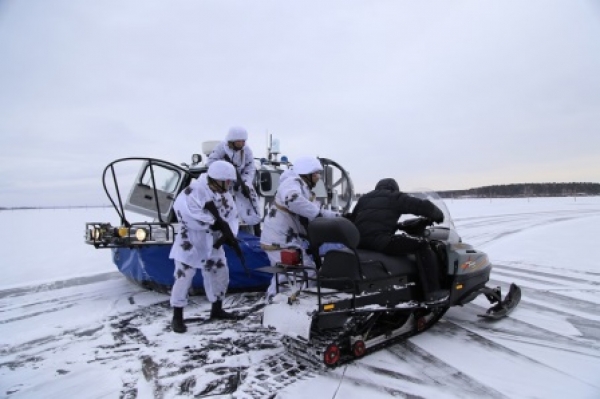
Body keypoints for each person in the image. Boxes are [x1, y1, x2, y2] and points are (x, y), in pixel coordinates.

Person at [349, 178, 449, 304]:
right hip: (380, 241)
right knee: (422, 245)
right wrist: (437, 214)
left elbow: (356, 219)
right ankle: (433, 292)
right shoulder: (394, 197)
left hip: (360, 242)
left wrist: (396, 226)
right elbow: (419, 205)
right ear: (394, 188)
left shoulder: (365, 198)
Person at [169, 160, 240, 333]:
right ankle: (177, 317)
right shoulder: (194, 190)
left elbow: (232, 216)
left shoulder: (225, 194)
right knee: (183, 277)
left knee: (220, 273)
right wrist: (211, 223)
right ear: (217, 179)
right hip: (191, 241)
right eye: (227, 181)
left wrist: (228, 235)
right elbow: (185, 212)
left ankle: (217, 308)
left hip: (213, 242)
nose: (229, 185)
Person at [260, 156, 341, 300]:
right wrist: (317, 215)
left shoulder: (304, 189)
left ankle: (274, 302)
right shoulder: (292, 183)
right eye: (316, 174)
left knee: (285, 273)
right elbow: (294, 200)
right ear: (307, 173)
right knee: (304, 272)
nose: (318, 178)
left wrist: (340, 217)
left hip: (284, 238)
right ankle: (288, 304)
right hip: (280, 239)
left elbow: (317, 209)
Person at [206, 127, 262, 234]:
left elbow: (250, 167)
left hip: (240, 184)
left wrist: (245, 182)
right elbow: (211, 164)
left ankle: (249, 230)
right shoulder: (220, 148)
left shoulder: (246, 151)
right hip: (223, 185)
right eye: (239, 141)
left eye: (243, 141)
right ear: (232, 141)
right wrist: (224, 174)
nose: (242, 143)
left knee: (248, 207)